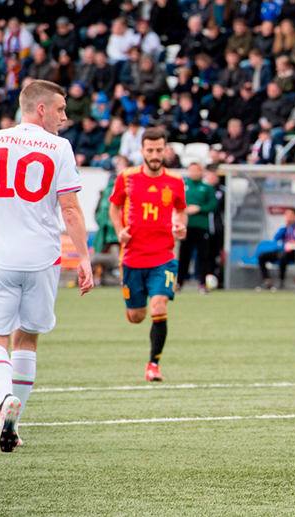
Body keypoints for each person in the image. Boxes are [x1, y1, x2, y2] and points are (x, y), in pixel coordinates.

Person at [0, 80, 94, 452]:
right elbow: (70, 208)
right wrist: (83, 257)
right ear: (41, 109)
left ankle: (4, 401)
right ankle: (12, 425)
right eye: (62, 109)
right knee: (27, 338)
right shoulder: (60, 148)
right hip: (43, 261)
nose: (66, 118)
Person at [109, 128, 188, 382]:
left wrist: (180, 226)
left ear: (166, 150)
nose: (155, 155)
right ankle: (134, 306)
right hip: (132, 258)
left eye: (159, 150)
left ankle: (153, 364)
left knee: (159, 306)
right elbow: (114, 207)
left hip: (163, 257)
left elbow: (181, 211)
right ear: (142, 151)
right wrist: (120, 231)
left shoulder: (175, 181)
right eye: (150, 150)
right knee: (137, 316)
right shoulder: (127, 177)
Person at [177, 163, 218, 294]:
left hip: (202, 226)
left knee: (204, 256)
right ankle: (179, 283)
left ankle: (203, 284)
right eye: (191, 170)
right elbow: (176, 202)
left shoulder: (207, 188)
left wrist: (199, 208)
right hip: (186, 226)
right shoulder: (183, 186)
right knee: (184, 255)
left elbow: (213, 205)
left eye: (196, 170)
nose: (194, 172)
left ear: (201, 171)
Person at [257, 207, 295, 291]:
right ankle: (267, 281)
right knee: (262, 256)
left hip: (293, 252)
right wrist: (284, 226)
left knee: (282, 257)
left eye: (290, 215)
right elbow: (276, 237)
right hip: (282, 250)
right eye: (287, 215)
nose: (288, 217)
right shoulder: (284, 227)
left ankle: (281, 281)